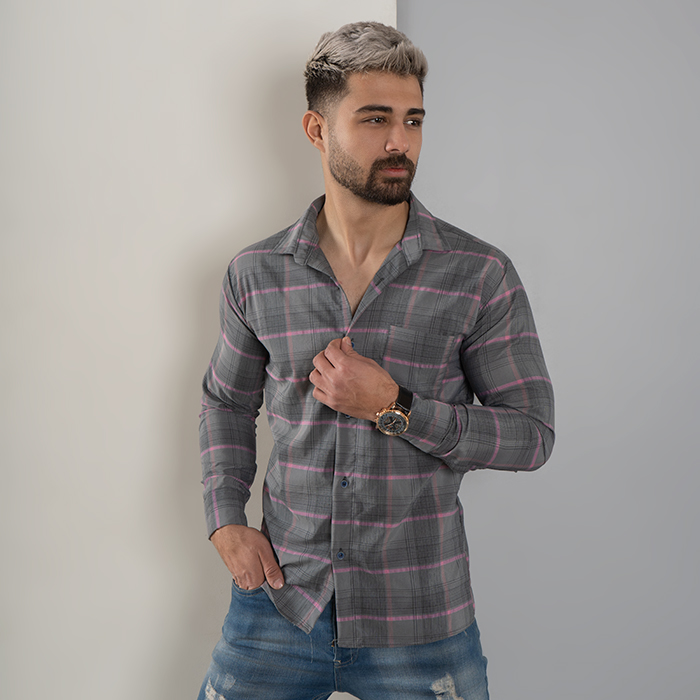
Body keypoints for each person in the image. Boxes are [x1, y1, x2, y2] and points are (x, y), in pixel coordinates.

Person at [197, 21, 554, 700]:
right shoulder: (256, 272)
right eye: (375, 119)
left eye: (413, 120)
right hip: (280, 605)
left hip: (421, 617)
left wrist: (395, 407)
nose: (400, 141)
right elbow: (226, 402)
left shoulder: (478, 274)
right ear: (316, 129)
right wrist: (225, 519)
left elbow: (531, 436)